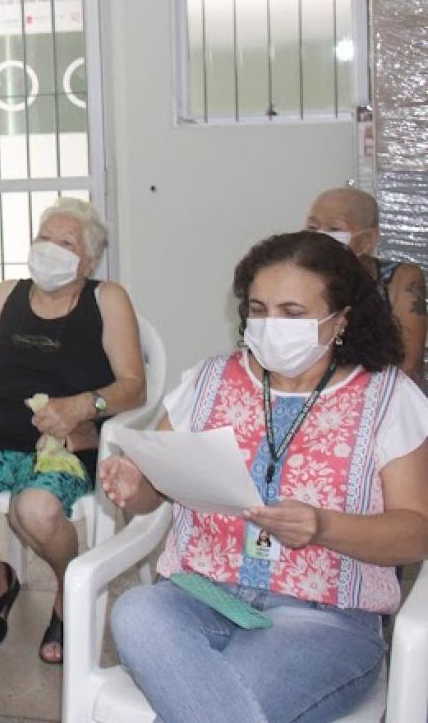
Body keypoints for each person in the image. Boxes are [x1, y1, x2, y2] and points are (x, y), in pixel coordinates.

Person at [103, 231, 428, 723]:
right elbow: (157, 488)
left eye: (292, 313)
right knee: (136, 611)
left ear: (341, 320)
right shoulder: (209, 381)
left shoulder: (388, 398)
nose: (270, 325)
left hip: (322, 616)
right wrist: (135, 485)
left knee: (231, 700)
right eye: (258, 309)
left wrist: (323, 526)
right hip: (200, 594)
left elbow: (415, 534)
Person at [0, 197, 145, 664]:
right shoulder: (5, 295)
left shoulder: (107, 299)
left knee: (32, 511)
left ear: (89, 259)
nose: (50, 250)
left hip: (62, 445)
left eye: (66, 243)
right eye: (44, 238)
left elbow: (133, 387)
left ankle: (67, 590)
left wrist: (84, 405)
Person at [305, 186, 425, 385]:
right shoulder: (303, 280)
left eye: (334, 229)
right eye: (312, 228)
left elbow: (409, 366)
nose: (319, 237)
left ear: (368, 240)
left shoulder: (400, 278)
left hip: (388, 398)